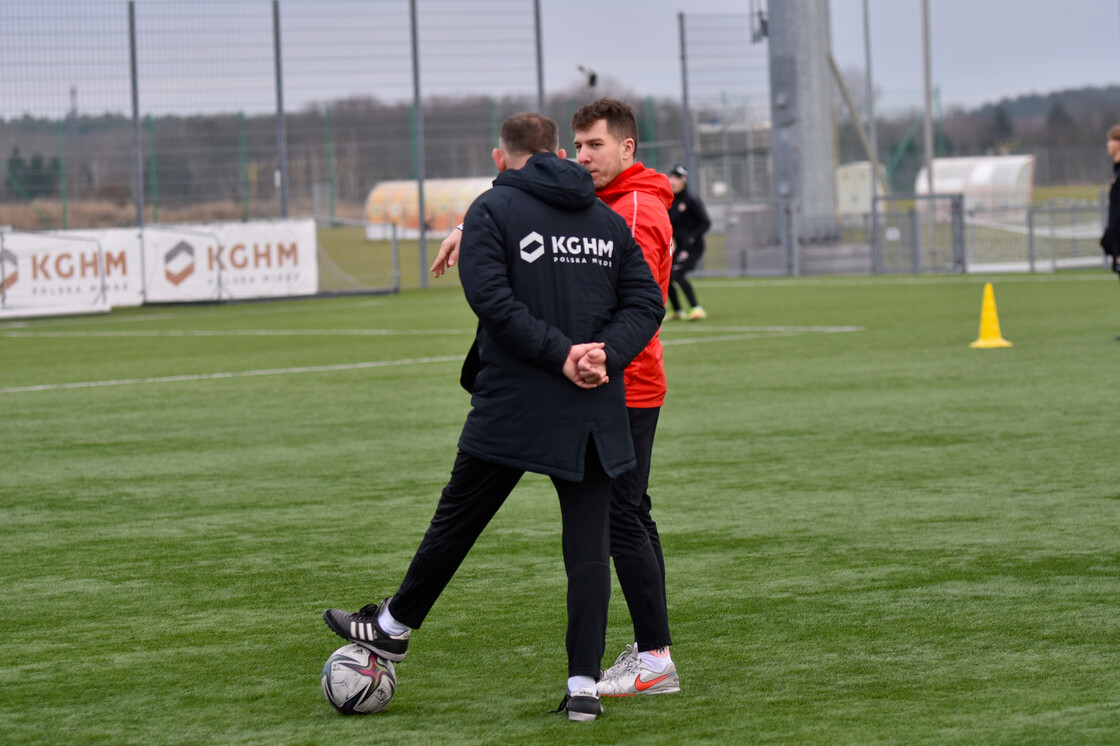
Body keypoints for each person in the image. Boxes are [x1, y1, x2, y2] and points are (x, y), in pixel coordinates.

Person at [324, 112, 665, 723]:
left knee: (458, 520)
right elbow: (646, 301)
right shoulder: (606, 221)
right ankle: (584, 685)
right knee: (587, 549)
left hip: (514, 404)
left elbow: (490, 298)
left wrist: (563, 355)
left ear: (498, 157)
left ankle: (395, 625)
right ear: (559, 153)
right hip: (592, 404)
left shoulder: (492, 210)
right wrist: (603, 355)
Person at [432, 98, 680, 699]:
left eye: (597, 145)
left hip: (621, 383)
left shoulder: (637, 207)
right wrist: (473, 226)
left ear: (627, 149)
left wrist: (597, 355)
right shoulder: (600, 201)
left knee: (623, 517)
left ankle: (654, 658)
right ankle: (645, 656)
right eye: (578, 145)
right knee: (622, 516)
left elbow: (629, 303)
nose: (583, 156)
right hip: (592, 380)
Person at [665, 165, 712, 321]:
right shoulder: (669, 201)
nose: (673, 181)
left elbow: (705, 222)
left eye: (677, 178)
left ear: (683, 180)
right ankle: (677, 311)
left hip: (693, 246)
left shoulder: (691, 200)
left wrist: (692, 237)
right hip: (680, 246)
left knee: (677, 275)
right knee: (666, 276)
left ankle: (696, 308)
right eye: (671, 177)